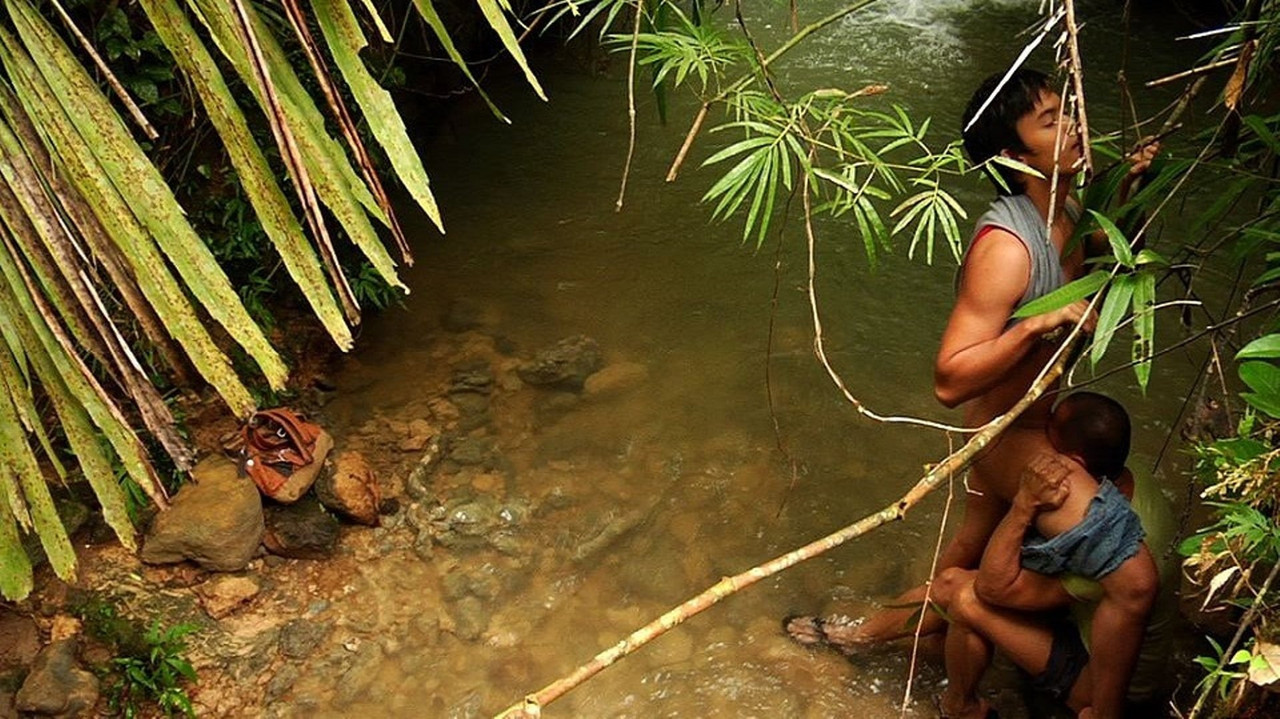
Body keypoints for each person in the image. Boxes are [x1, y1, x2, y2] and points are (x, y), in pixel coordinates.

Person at [783, 67, 1156, 649]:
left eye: (1069, 114)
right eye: (1052, 122)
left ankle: (861, 635)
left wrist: (1130, 188)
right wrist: (1038, 322)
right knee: (1132, 578)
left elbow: (1095, 256)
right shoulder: (1006, 247)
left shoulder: (1071, 209)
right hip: (1004, 430)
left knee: (967, 558)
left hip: (1036, 420)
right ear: (1014, 154)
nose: (1075, 128)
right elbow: (950, 380)